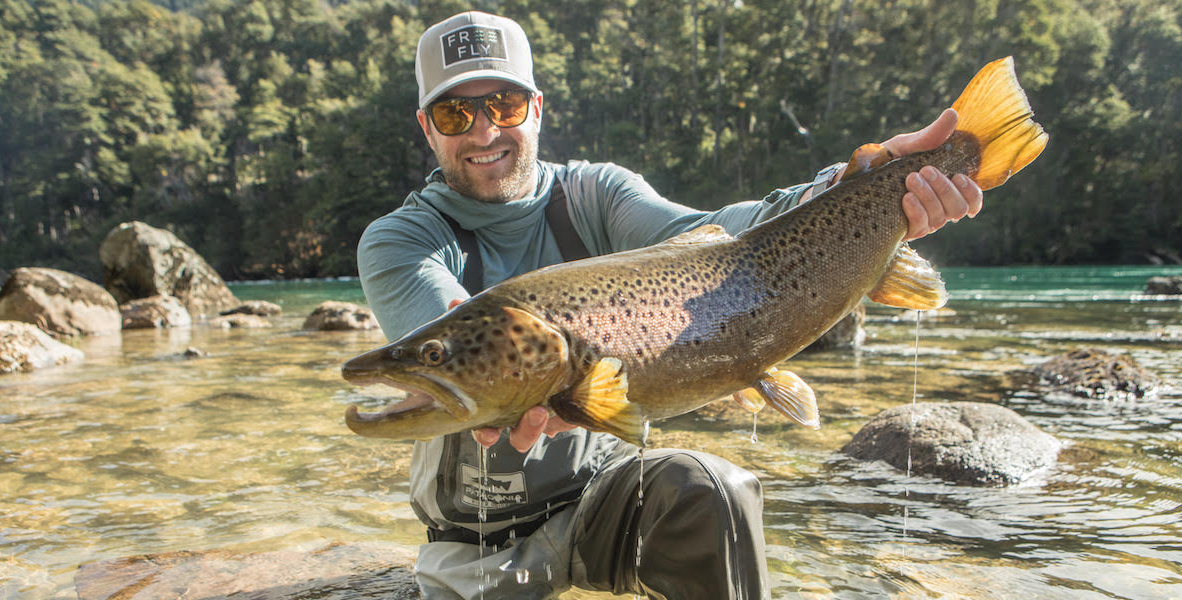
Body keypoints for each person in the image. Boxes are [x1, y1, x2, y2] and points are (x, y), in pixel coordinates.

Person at [357, 11, 983, 600]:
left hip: (604, 502)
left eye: (505, 104)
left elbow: (721, 237)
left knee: (715, 490)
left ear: (537, 109)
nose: (484, 129)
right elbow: (441, 333)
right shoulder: (399, 240)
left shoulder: (597, 194)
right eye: (454, 111)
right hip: (477, 540)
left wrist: (855, 185)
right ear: (427, 126)